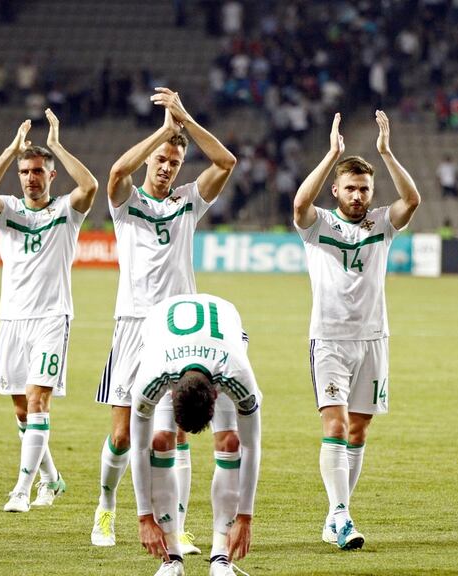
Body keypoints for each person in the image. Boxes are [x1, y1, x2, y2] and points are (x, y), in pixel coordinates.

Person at [93, 87, 236, 550]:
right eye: (161, 159)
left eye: (174, 162)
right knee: (121, 433)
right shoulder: (125, 203)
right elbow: (116, 172)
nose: (166, 167)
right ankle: (106, 507)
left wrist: (185, 120)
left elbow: (226, 163)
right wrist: (161, 131)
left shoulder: (189, 202)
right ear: (149, 160)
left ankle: (176, 526)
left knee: (175, 431)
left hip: (179, 329)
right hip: (133, 325)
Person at [293, 111, 420, 550]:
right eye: (350, 188)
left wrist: (385, 152)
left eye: (364, 188)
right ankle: (342, 515)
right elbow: (298, 206)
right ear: (337, 190)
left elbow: (413, 200)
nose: (358, 195)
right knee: (336, 423)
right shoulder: (319, 227)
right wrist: (332, 155)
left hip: (372, 339)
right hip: (328, 339)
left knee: (359, 431)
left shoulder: (381, 224)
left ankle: (335, 514)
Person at [0, 110, 98, 513]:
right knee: (23, 410)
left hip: (51, 318)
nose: (31, 177)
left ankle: (21, 490)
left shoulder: (67, 211)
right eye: (25, 171)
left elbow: (91, 185)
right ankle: (51, 479)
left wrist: (57, 145)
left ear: (51, 175)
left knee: (39, 402)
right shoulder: (8, 211)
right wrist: (11, 150)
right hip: (11, 318)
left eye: (39, 171)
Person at [130, 293, 261, 576]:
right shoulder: (153, 375)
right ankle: (171, 559)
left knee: (230, 441)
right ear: (170, 391)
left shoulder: (236, 374)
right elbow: (139, 448)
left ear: (217, 394)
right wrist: (144, 518)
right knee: (160, 439)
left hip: (225, 341)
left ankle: (221, 559)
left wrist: (245, 517)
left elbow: (252, 446)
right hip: (161, 340)